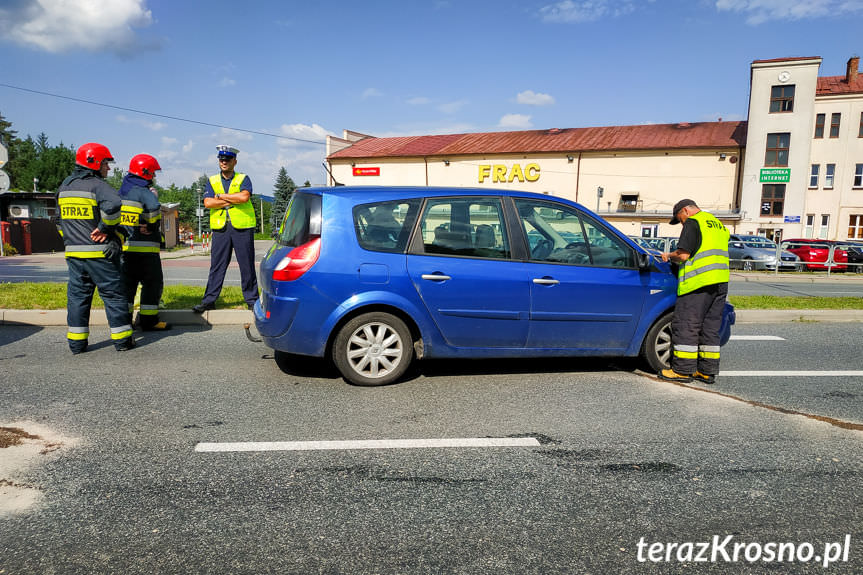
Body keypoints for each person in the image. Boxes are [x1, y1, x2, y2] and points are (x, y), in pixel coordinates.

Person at [56, 142, 134, 353]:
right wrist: (104, 229)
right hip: (99, 254)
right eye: (106, 163)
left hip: (73, 254)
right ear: (94, 163)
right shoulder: (98, 186)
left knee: (77, 299)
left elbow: (58, 222)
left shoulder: (64, 187)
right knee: (114, 295)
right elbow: (114, 205)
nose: (108, 168)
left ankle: (76, 344)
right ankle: (123, 341)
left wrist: (71, 240)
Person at [659, 199, 730, 384]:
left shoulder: (693, 222)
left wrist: (668, 256)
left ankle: (682, 370)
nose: (681, 222)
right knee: (710, 327)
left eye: (679, 219)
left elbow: (683, 255)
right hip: (720, 282)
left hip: (698, 282)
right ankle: (707, 371)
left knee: (687, 325)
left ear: (685, 211)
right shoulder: (716, 223)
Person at [193, 145, 259, 313]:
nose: (224, 162)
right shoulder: (212, 180)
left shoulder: (244, 178)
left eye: (227, 159)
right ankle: (209, 301)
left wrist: (220, 197)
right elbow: (208, 203)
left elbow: (244, 197)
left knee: (247, 266)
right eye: (221, 159)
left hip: (242, 227)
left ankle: (252, 300)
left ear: (234, 162)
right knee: (217, 266)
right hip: (221, 228)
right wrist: (232, 199)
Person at [119, 154, 170, 331]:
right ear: (146, 172)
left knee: (127, 286)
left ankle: (124, 322)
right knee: (151, 284)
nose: (154, 176)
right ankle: (149, 321)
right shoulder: (145, 192)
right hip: (146, 249)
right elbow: (154, 210)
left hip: (125, 248)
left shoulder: (121, 191)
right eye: (153, 172)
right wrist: (151, 225)